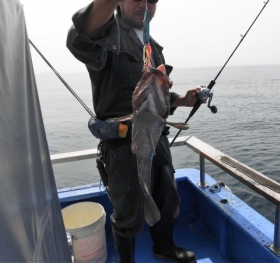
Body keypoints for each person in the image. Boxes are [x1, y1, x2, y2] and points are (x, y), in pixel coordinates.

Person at [67, 1, 203, 262]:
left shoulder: (154, 47)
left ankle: (163, 246)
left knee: (166, 197)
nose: (144, 4)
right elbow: (82, 36)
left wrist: (182, 100)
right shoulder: (108, 35)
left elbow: (156, 95)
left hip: (156, 138)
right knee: (127, 209)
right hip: (122, 146)